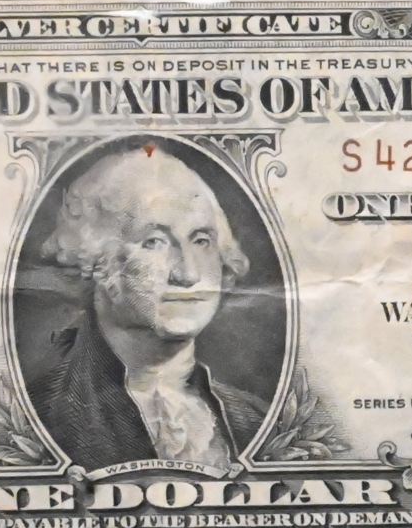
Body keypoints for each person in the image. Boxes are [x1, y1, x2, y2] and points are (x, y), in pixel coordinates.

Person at [24, 143, 268, 470]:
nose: (188, 273)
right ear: (95, 261)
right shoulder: (36, 419)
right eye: (154, 242)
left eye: (201, 240)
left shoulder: (256, 420)